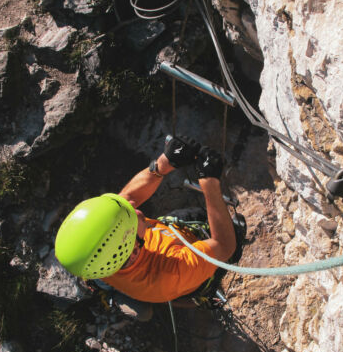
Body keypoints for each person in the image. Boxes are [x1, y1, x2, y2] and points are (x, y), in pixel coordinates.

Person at [55, 136, 236, 321]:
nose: (138, 211)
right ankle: (196, 298)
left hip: (169, 239)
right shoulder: (172, 271)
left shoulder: (105, 257)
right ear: (133, 251)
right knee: (235, 232)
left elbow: (128, 198)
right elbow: (224, 246)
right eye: (133, 220)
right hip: (187, 274)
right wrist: (210, 183)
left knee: (189, 217)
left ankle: (112, 290)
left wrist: (163, 163)